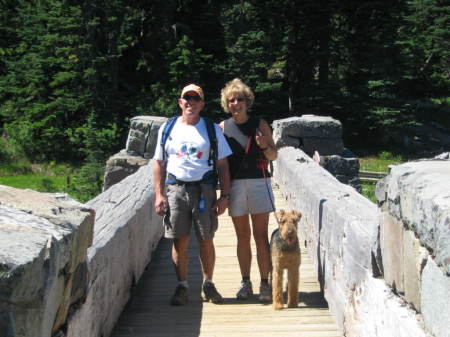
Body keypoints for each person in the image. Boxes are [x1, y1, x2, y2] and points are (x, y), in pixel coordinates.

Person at [153, 84, 232, 306]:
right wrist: (159, 194)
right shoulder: (168, 128)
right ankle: (182, 286)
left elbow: (223, 165)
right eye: (186, 98)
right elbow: (158, 163)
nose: (190, 102)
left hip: (204, 190)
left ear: (201, 104)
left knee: (206, 239)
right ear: (180, 102)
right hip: (176, 189)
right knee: (180, 241)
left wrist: (225, 195)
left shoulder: (212, 129)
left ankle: (208, 283)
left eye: (195, 98)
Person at [219, 78, 278, 303]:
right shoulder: (223, 127)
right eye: (231, 100)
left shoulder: (260, 124)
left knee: (260, 235)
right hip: (234, 185)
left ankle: (265, 282)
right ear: (227, 104)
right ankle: (246, 282)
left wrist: (264, 145)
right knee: (242, 236)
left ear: (247, 101)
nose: (236, 103)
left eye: (240, 99)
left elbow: (274, 155)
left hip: (259, 183)